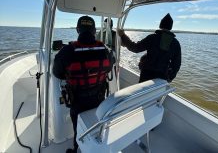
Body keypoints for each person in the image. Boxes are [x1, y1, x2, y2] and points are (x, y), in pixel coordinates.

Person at [53, 16, 113, 153]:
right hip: (99, 98)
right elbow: (108, 68)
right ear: (94, 31)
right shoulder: (105, 49)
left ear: (77, 30)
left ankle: (77, 149)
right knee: (97, 125)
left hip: (77, 101)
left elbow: (57, 73)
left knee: (78, 127)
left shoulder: (67, 51)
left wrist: (70, 75)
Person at [118, 13, 181, 83]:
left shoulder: (152, 38)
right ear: (170, 27)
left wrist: (123, 36)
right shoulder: (176, 43)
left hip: (146, 75)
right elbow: (176, 64)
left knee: (143, 92)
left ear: (161, 25)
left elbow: (135, 48)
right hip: (162, 77)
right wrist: (170, 78)